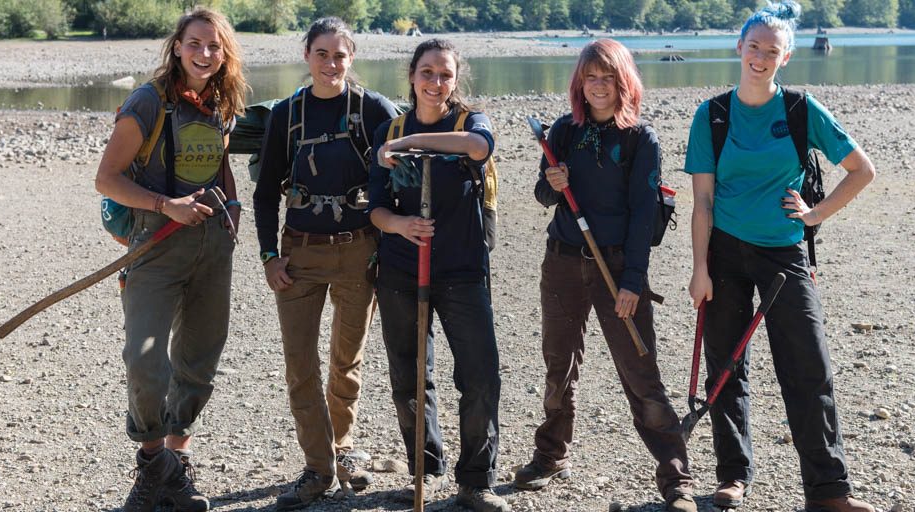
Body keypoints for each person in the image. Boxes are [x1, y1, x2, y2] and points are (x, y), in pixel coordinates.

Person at [683, 2, 876, 511]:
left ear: (785, 57)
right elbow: (702, 201)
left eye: (772, 50)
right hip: (723, 253)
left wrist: (813, 216)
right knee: (724, 366)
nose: (761, 57)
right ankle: (733, 477)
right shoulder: (712, 115)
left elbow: (861, 170)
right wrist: (700, 269)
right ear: (739, 48)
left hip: (784, 254)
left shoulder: (800, 110)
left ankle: (828, 492)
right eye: (754, 47)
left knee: (809, 366)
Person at [515, 39, 697, 512]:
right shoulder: (562, 132)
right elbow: (542, 193)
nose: (599, 86)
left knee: (640, 371)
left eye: (608, 77)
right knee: (559, 364)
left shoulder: (641, 139)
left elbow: (642, 214)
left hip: (616, 266)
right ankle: (551, 454)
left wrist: (634, 280)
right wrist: (552, 185)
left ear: (624, 82)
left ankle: (676, 478)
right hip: (563, 261)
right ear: (580, 83)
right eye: (591, 77)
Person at [94, 7, 246, 512]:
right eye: (196, 44)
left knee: (199, 362)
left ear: (224, 54)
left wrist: (234, 212)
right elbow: (107, 179)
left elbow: (221, 166)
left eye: (214, 47)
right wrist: (166, 206)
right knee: (144, 361)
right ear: (177, 47)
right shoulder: (147, 101)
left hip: (211, 249)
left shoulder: (221, 102)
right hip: (153, 248)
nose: (205, 54)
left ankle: (173, 467)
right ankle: (154, 462)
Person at [251, 16, 399, 511]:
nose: (331, 64)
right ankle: (317, 467)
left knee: (346, 360)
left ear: (351, 58)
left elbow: (403, 172)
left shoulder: (374, 109)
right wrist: (269, 256)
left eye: (339, 55)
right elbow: (265, 191)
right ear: (306, 55)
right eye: (322, 54)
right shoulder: (287, 114)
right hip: (299, 254)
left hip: (359, 250)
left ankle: (344, 448)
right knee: (300, 364)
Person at [366, 38, 509, 512]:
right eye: (427, 72)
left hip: (464, 269)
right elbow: (376, 210)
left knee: (481, 375)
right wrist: (401, 225)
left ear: (455, 79)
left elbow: (478, 148)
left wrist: (407, 145)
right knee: (409, 378)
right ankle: (424, 472)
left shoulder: (468, 121)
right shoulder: (390, 129)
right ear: (412, 75)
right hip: (403, 271)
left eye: (444, 74)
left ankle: (475, 481)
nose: (435, 82)